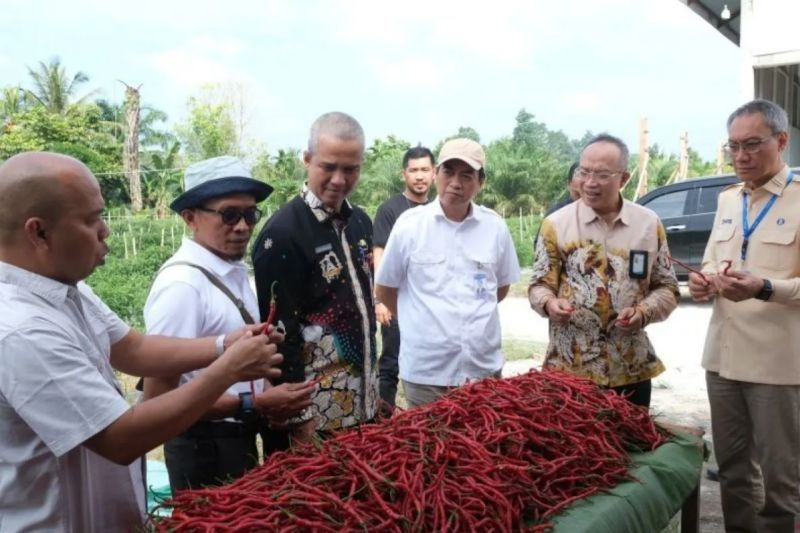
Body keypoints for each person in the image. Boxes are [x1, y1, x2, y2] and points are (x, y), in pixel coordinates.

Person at [0, 152, 282, 531]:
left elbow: (135, 350)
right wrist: (229, 369)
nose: (106, 231)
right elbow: (121, 437)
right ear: (39, 232)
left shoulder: (70, 291)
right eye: (92, 219)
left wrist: (222, 346)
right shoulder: (19, 329)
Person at [143, 156, 315, 492]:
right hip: (203, 446)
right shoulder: (183, 286)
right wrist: (255, 404)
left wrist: (267, 397)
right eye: (229, 214)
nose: (242, 226)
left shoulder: (234, 273)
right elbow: (160, 399)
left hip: (238, 436)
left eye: (250, 214)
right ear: (190, 218)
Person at [688, 99, 800, 532]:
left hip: (777, 366)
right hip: (723, 360)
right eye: (733, 146)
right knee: (732, 471)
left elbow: (771, 282)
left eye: (752, 145)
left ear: (782, 141)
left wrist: (765, 287)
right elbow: (714, 261)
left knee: (780, 480)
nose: (741, 157)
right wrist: (703, 282)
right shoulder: (728, 199)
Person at [528, 134, 679, 408]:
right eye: (583, 172)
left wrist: (644, 312)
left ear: (623, 178)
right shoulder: (556, 224)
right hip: (570, 369)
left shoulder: (647, 224)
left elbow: (667, 287)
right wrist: (549, 303)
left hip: (630, 368)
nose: (589, 183)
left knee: (633, 447)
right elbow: (538, 285)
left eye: (601, 175)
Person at [252, 111, 378, 437]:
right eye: (328, 166)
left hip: (364, 408)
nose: (339, 179)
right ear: (307, 159)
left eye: (350, 169)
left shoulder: (361, 223)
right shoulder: (282, 234)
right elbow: (281, 334)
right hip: (314, 421)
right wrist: (299, 420)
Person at [374, 138, 521, 407]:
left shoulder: (495, 227)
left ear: (481, 182)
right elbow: (385, 288)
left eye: (467, 175)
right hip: (427, 374)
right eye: (449, 172)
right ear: (437, 174)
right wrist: (417, 318)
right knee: (430, 447)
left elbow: (499, 288)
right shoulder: (409, 226)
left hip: (483, 370)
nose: (456, 182)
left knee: (485, 444)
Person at [373, 145, 435, 412]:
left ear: (434, 173)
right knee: (390, 363)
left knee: (430, 363)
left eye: (425, 170)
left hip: (430, 305)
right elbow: (379, 255)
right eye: (413, 170)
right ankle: (384, 424)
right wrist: (380, 300)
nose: (419, 176)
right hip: (396, 303)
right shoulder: (390, 209)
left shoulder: (440, 209)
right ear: (404, 174)